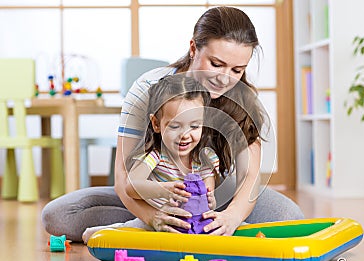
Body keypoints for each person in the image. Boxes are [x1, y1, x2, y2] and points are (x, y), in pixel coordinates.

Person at [42, 6, 304, 242]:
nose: (225, 79)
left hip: (213, 198)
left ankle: (188, 224)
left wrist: (232, 216)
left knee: (289, 215)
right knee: (59, 215)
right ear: (193, 48)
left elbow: (250, 177)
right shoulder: (149, 88)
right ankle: (148, 224)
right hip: (152, 189)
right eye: (216, 64)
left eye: (237, 70)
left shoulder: (243, 99)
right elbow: (124, 179)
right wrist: (153, 216)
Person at [81, 75, 218, 243]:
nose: (185, 135)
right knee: (122, 231)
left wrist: (210, 199)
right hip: (157, 223)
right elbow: (131, 186)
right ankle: (103, 234)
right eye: (174, 126)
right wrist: (165, 189)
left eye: (195, 126)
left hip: (195, 225)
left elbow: (209, 198)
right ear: (156, 124)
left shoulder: (206, 158)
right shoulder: (155, 156)